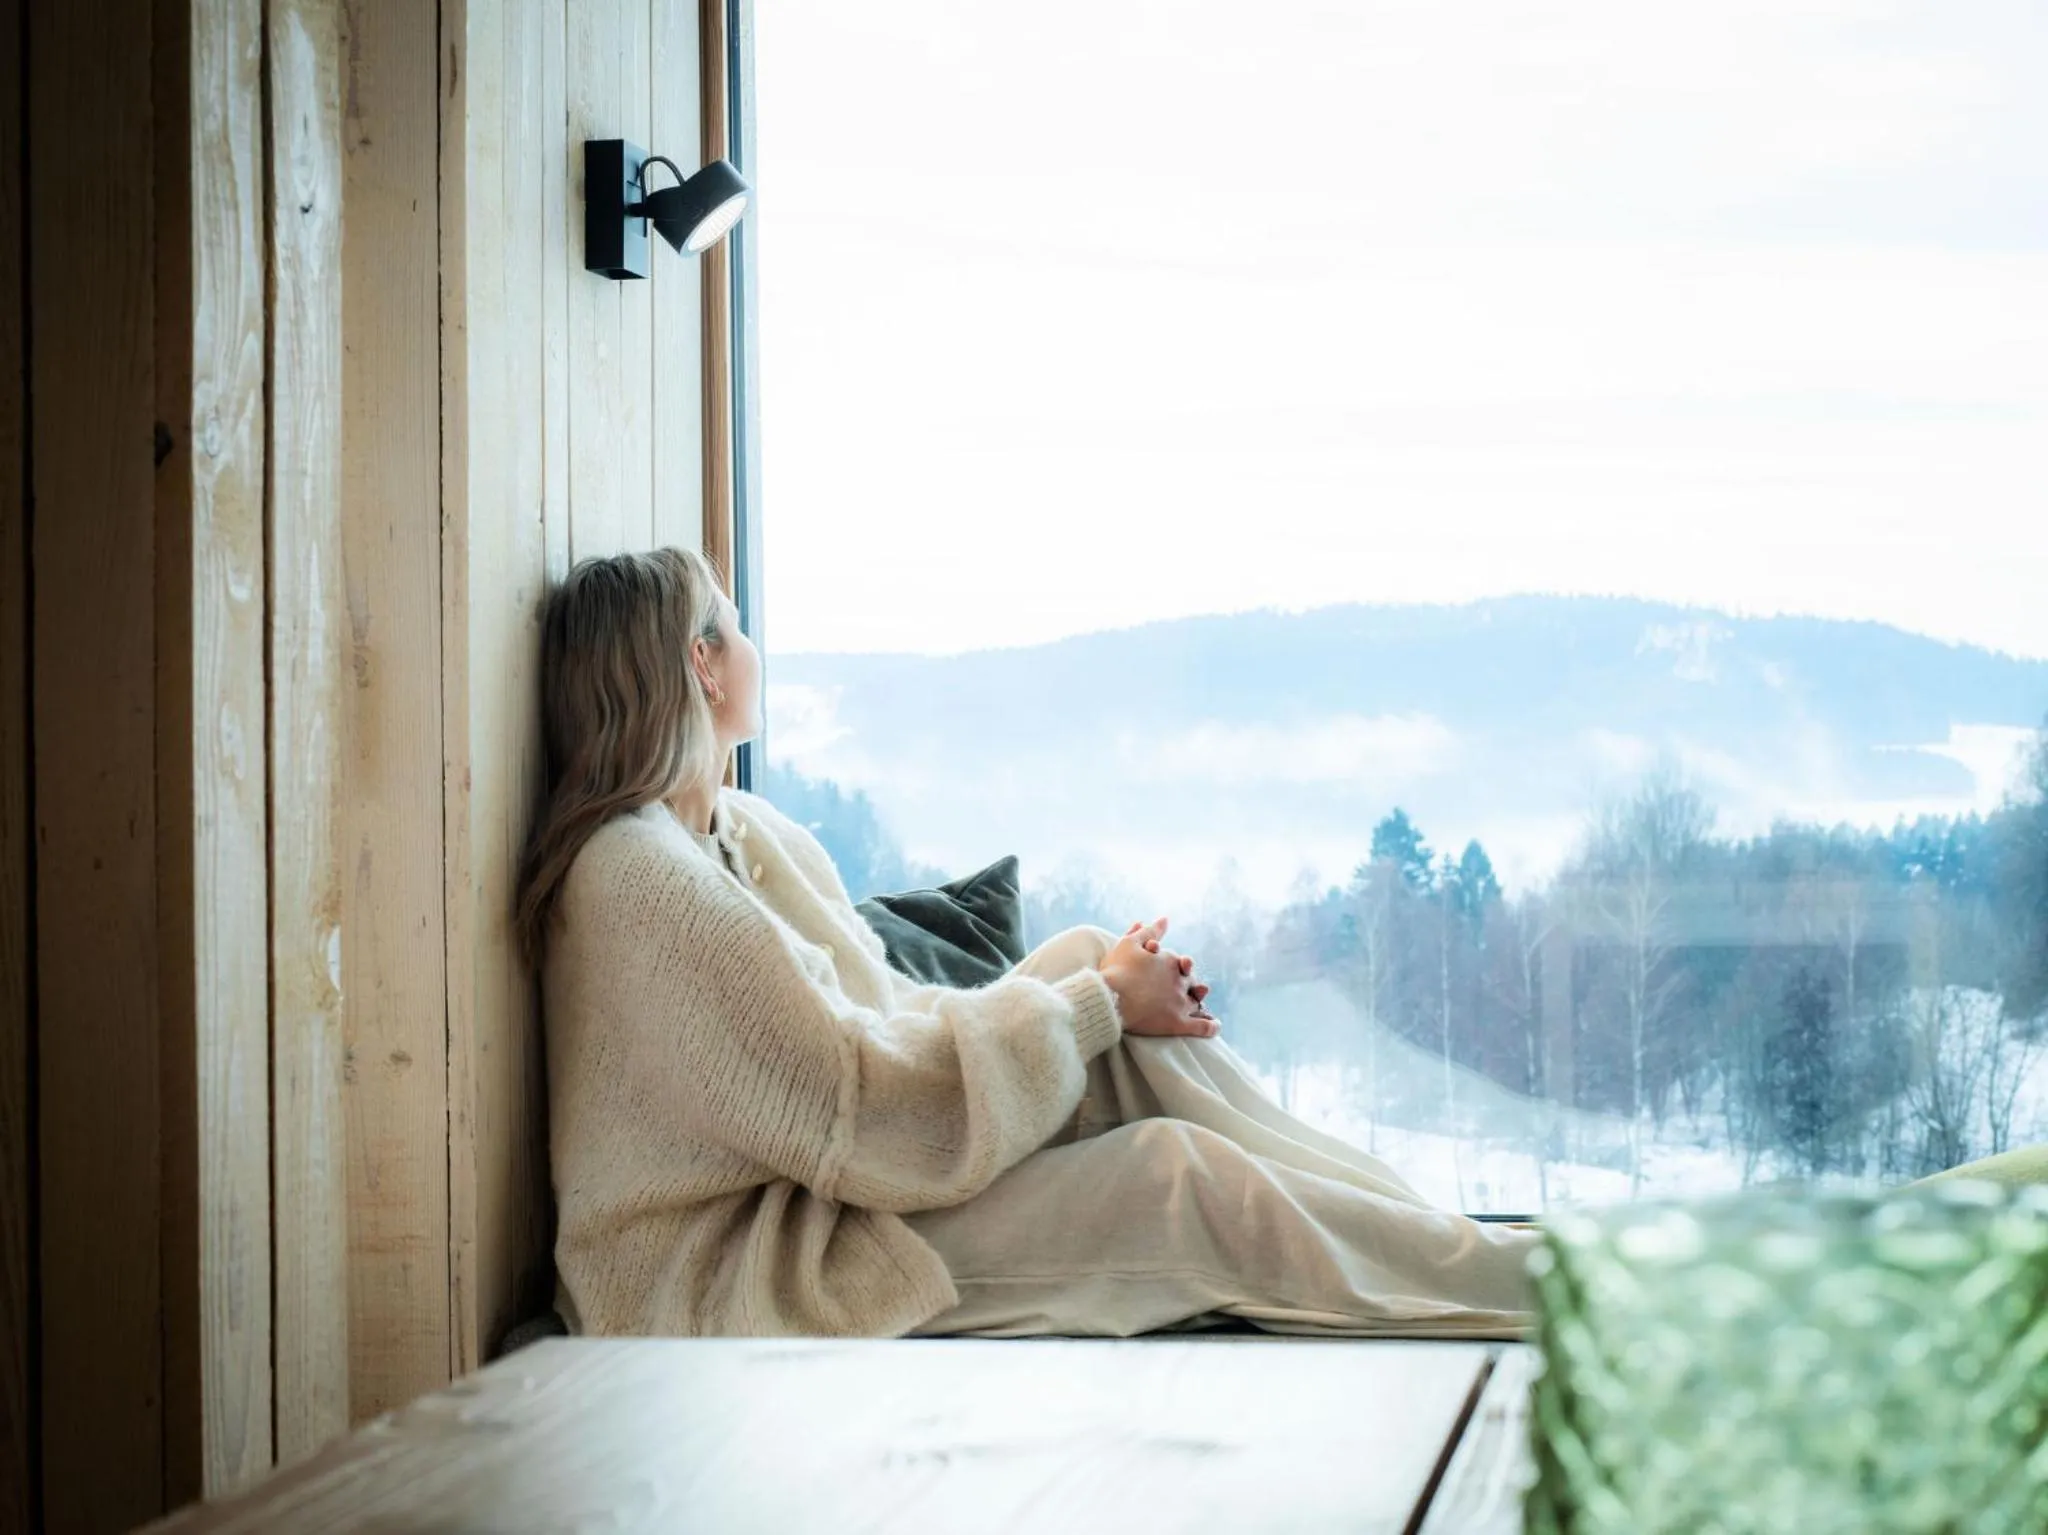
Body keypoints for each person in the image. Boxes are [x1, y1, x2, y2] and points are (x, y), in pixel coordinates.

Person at [516, 546, 1538, 1340]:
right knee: (1170, 1177)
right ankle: (1540, 1295)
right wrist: (1094, 1005)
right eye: (733, 625)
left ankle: (1436, 1238)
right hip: (741, 1268)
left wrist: (1096, 986)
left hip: (830, 1179)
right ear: (699, 663)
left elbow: (889, 1011)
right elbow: (862, 1114)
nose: (750, 646)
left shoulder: (741, 832)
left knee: (1092, 955)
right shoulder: (633, 879)